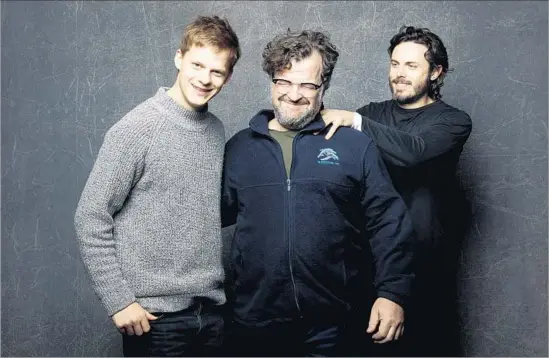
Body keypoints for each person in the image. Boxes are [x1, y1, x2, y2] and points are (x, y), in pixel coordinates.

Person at [221, 29, 415, 357]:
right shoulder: (239, 149)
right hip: (255, 324)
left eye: (307, 85)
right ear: (272, 82)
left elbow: (389, 224)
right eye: (284, 82)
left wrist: (392, 294)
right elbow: (199, 219)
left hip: (335, 324)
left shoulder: (354, 146)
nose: (294, 95)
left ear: (323, 86)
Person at [74, 15, 240, 357]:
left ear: (228, 77)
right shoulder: (137, 128)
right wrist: (119, 301)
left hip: (211, 314)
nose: (204, 79)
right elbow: (91, 217)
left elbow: (198, 211)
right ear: (179, 58)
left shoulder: (215, 130)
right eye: (197, 64)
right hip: (155, 320)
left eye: (217, 71)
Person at [321, 25, 473, 356]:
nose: (399, 74)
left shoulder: (453, 121)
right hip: (368, 266)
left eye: (411, 66)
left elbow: (414, 151)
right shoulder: (372, 113)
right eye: (395, 64)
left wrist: (355, 123)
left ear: (436, 71)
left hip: (425, 271)